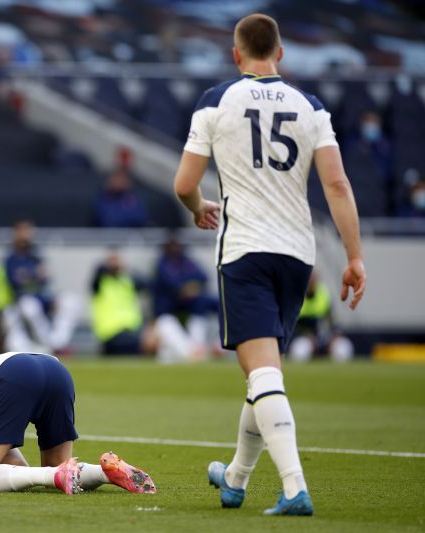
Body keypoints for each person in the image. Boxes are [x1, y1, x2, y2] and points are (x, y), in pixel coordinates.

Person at [173, 14, 366, 516]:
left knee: (262, 377)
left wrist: (198, 208)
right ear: (279, 53)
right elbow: (338, 185)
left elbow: (183, 183)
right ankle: (235, 479)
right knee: (266, 374)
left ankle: (294, 487)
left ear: (237, 55)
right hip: (296, 257)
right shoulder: (312, 107)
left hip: (246, 252)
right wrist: (354, 257)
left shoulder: (217, 100)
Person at [0, 351, 156, 494]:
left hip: (13, 373)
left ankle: (75, 474)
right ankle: (107, 472)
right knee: (57, 471)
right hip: (54, 370)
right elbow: (21, 470)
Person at [0, 220, 80, 354]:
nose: (26, 235)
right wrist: (34, 276)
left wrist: (31, 277)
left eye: (29, 231)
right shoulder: (11, 258)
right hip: (21, 301)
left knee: (72, 301)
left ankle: (58, 343)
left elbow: (45, 279)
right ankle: (49, 346)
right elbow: (17, 283)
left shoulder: (36, 255)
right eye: (23, 231)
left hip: (43, 298)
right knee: (29, 306)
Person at [152, 237, 218, 351]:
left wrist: (192, 287)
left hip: (192, 302)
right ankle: (192, 348)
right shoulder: (162, 264)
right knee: (166, 321)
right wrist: (184, 288)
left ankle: (216, 344)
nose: (175, 249)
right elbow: (169, 283)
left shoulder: (186, 261)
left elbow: (203, 277)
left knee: (214, 303)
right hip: (170, 304)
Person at [288, 271, 354, 363]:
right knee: (300, 352)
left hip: (323, 338)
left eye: (313, 279)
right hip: (304, 339)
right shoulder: (295, 297)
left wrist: (334, 336)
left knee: (342, 349)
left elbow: (333, 321)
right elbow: (290, 326)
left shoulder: (323, 294)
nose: (311, 282)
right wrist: (306, 336)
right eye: (308, 279)